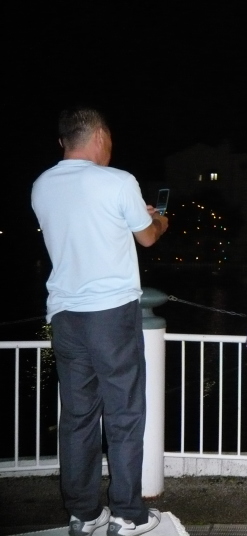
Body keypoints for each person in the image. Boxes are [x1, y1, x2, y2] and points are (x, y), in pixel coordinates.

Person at [31, 107, 169, 536]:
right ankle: (128, 514)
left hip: (65, 316)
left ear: (63, 142)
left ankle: (85, 513)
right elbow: (147, 237)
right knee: (124, 413)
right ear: (100, 138)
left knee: (78, 418)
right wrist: (158, 219)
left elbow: (86, 228)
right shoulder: (118, 181)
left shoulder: (41, 186)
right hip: (110, 314)